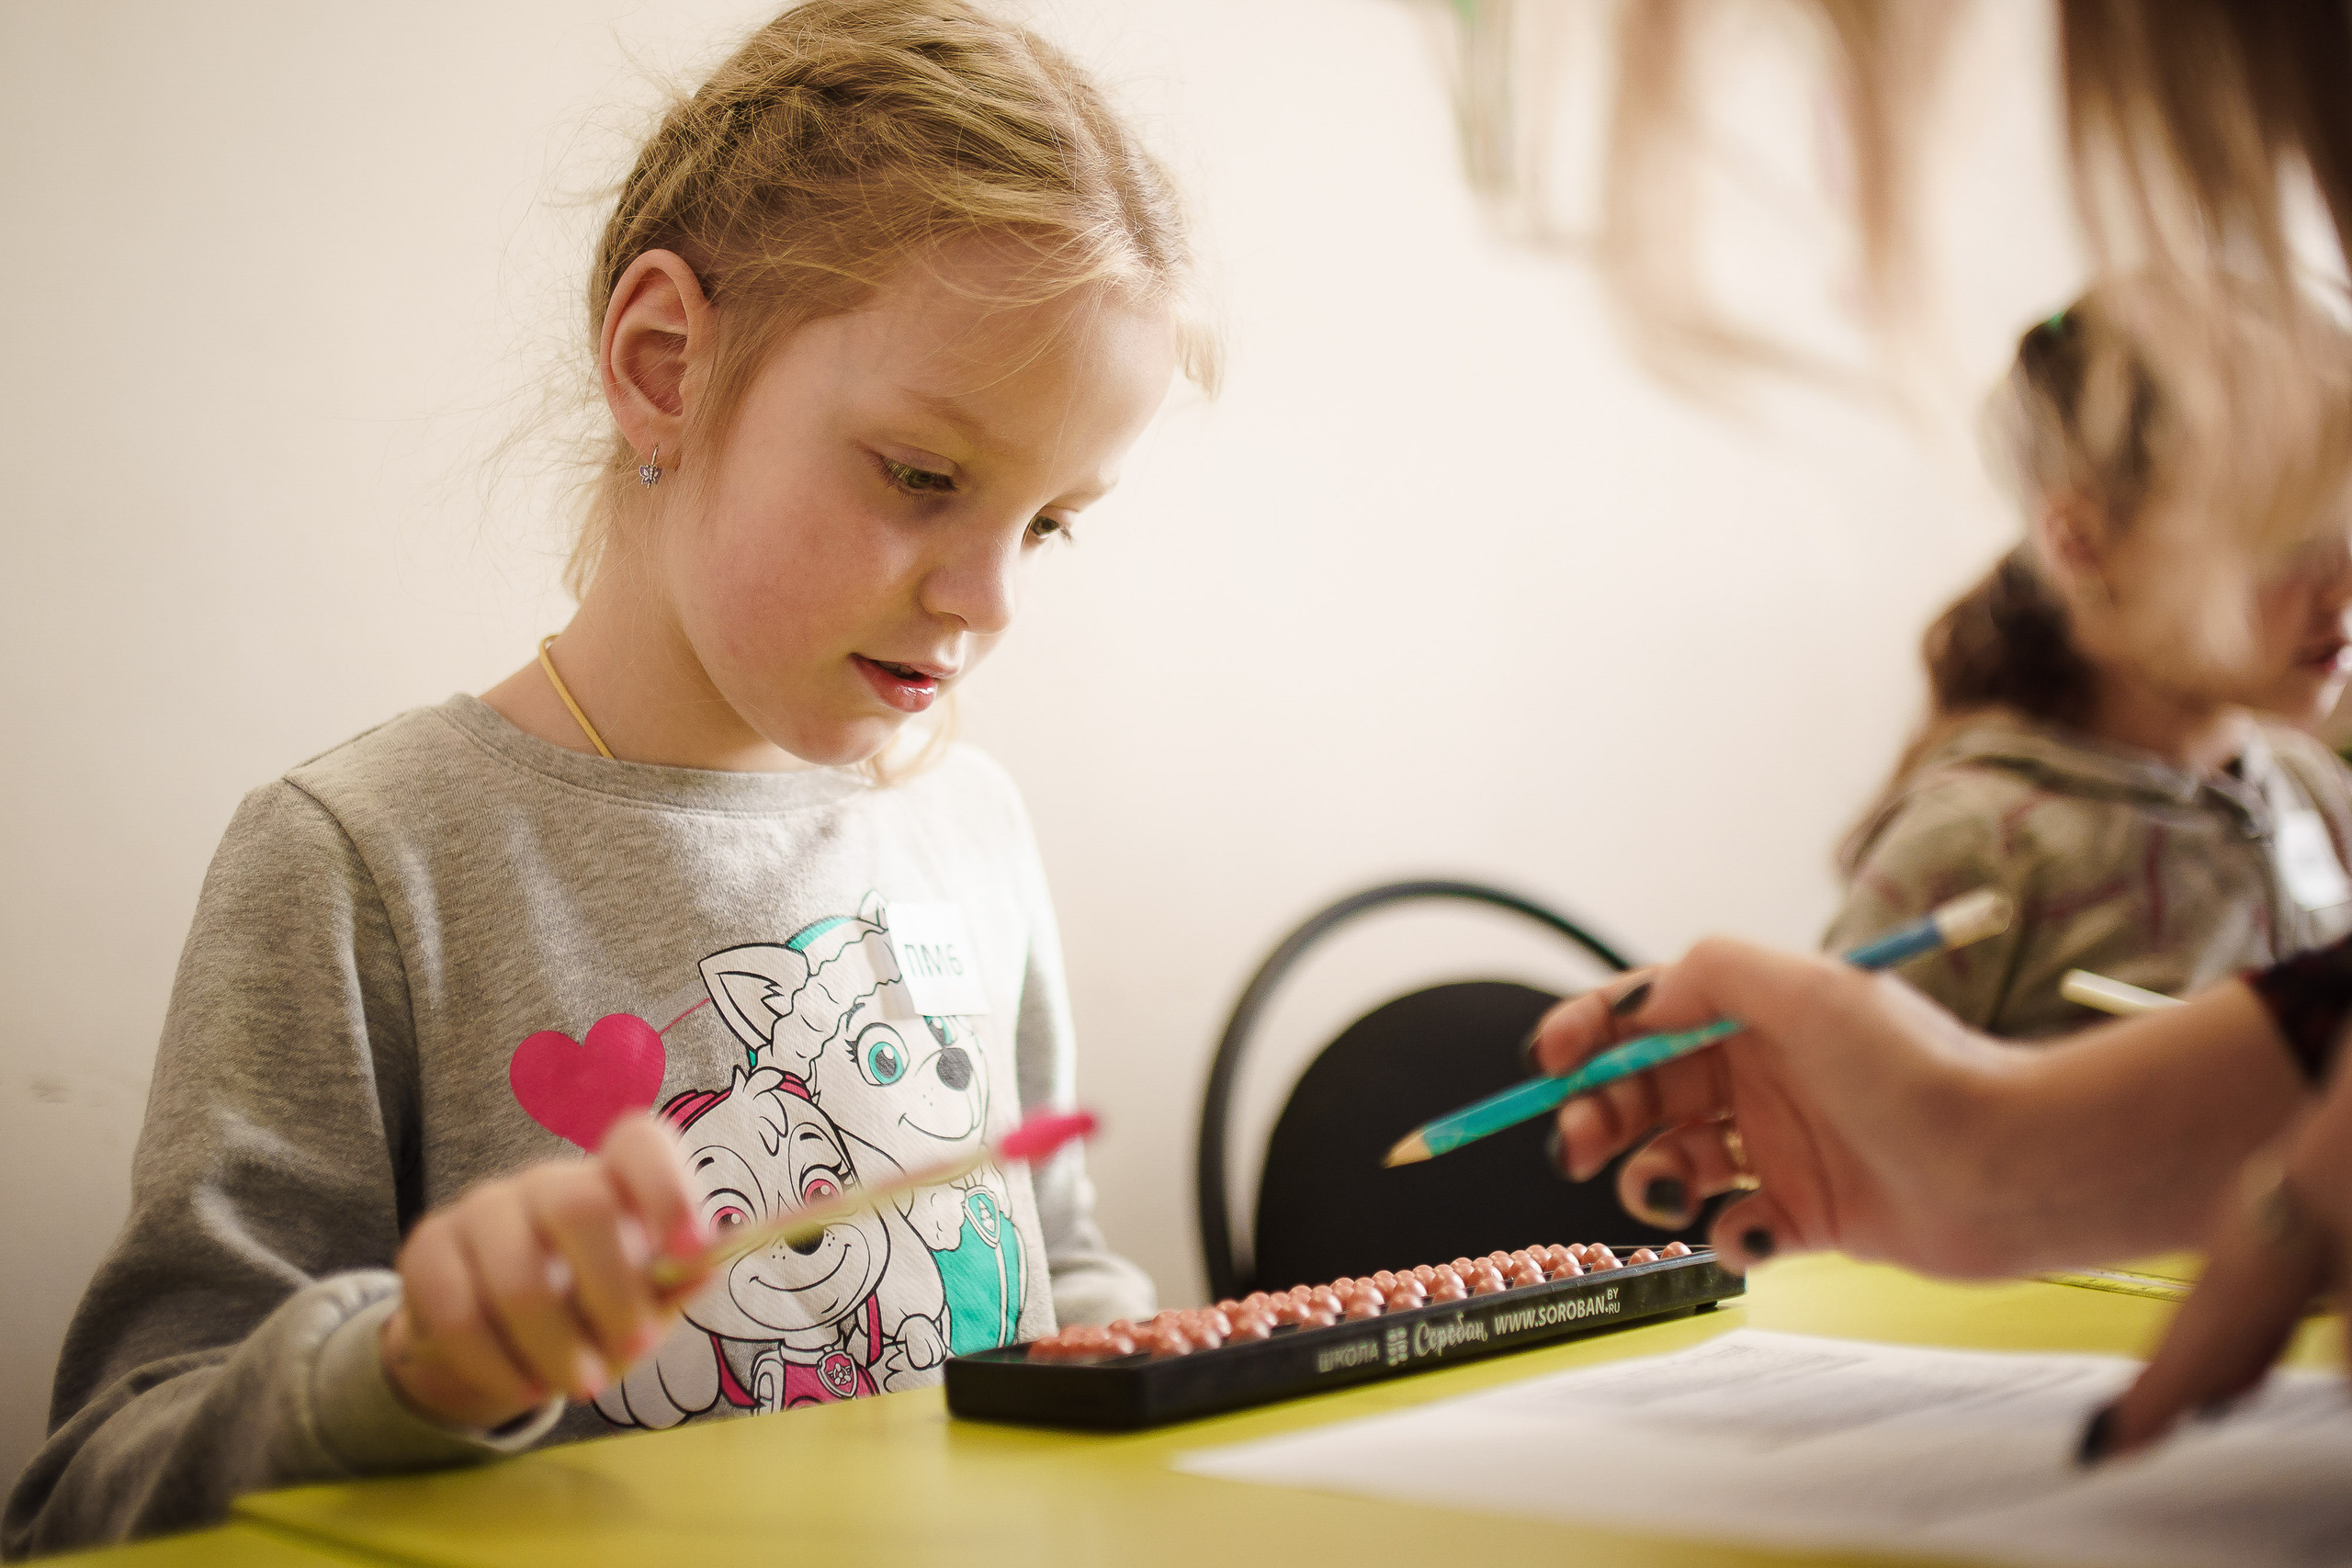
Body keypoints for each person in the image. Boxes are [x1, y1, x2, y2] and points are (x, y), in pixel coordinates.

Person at [1, 1, 1214, 1554]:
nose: (992, 599)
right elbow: (93, 1497)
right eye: (924, 476)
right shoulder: (363, 862)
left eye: (1047, 522)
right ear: (664, 366)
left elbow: (1055, 1276)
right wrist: (403, 1371)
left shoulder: (970, 828)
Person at [1826, 286, 2352, 1037]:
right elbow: (1829, 1124)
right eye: (2287, 540)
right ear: (2084, 545)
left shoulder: (2316, 794)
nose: (2346, 582)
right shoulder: (1981, 848)